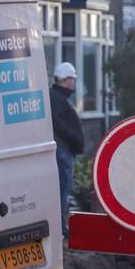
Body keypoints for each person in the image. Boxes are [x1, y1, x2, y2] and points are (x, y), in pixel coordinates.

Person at [50, 62, 84, 238]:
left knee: (62, 192)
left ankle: (61, 228)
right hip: (63, 151)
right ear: (65, 79)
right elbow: (59, 124)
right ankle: (60, 231)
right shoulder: (56, 99)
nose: (73, 82)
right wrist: (73, 138)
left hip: (64, 150)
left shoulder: (57, 98)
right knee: (62, 192)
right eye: (71, 79)